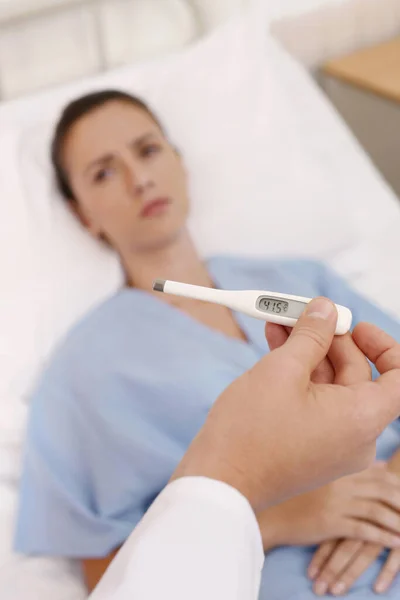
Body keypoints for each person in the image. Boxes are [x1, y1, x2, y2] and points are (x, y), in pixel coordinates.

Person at [14, 90, 400, 598]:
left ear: (180, 163)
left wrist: (386, 497)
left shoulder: (297, 276)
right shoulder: (82, 372)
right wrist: (283, 517)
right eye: (104, 172)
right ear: (82, 212)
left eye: (148, 150)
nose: (139, 178)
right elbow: (107, 577)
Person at [89, 301, 400, 600]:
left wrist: (389, 498)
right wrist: (271, 517)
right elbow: (99, 573)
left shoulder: (298, 273)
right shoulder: (93, 352)